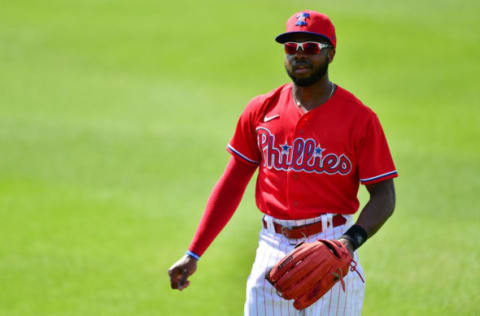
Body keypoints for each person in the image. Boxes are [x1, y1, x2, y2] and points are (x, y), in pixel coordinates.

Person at [168, 10, 397, 315]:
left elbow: (384, 196)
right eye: (292, 48)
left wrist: (348, 243)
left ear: (331, 54)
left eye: (311, 48)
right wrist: (193, 252)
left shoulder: (359, 118)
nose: (300, 55)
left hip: (331, 245)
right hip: (271, 247)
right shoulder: (261, 109)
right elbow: (232, 184)